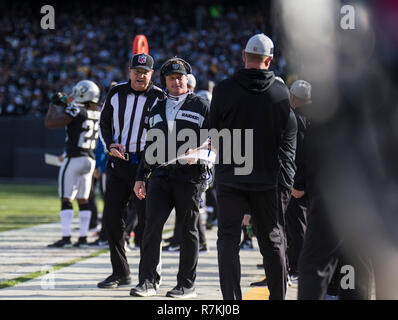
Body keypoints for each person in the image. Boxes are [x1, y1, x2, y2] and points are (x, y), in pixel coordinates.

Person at [210, 33, 297, 300]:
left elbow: (213, 133)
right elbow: (289, 135)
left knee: (227, 240)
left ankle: (231, 301)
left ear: (244, 56)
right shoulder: (281, 92)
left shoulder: (224, 89)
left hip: (230, 175)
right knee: (272, 240)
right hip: (267, 177)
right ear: (269, 60)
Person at [130, 57, 210, 298]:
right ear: (164, 81)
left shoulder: (202, 105)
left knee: (187, 230)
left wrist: (199, 153)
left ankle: (186, 284)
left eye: (180, 77)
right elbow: (149, 146)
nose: (177, 81)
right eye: (172, 78)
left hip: (190, 177)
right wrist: (140, 176)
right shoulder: (156, 108)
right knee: (151, 228)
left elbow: (219, 138)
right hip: (161, 176)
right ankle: (147, 281)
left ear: (187, 79)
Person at [97, 53, 165, 289]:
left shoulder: (159, 97)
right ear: (129, 71)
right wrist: (110, 145)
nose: (140, 75)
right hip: (118, 163)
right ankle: (120, 272)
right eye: (137, 71)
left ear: (152, 74)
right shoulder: (115, 93)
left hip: (144, 167)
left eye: (145, 72)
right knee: (111, 219)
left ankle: (148, 275)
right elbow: (103, 123)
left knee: (148, 222)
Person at [45, 80, 101, 248]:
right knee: (84, 199)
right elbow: (78, 108)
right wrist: (66, 101)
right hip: (90, 160)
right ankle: (83, 238)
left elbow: (50, 123)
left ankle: (66, 237)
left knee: (66, 198)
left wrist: (53, 105)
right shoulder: (98, 112)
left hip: (74, 157)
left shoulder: (76, 110)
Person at [285, 79, 311, 282]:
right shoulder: (319, 116)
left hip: (300, 183)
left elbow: (299, 155)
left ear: (292, 96)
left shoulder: (295, 118)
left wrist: (297, 184)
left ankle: (297, 268)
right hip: (318, 182)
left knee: (297, 227)